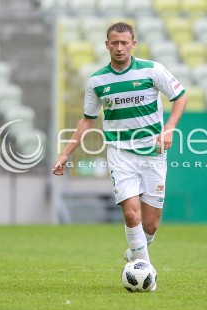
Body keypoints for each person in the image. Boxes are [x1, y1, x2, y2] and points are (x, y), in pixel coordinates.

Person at [53, 22, 188, 270]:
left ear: (133, 44)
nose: (119, 48)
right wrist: (64, 154)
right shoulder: (97, 81)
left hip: (154, 154)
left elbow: (180, 97)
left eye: (124, 43)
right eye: (114, 43)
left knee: (150, 225)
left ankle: (135, 253)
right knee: (130, 214)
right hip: (120, 154)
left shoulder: (152, 70)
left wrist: (168, 129)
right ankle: (145, 271)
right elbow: (87, 120)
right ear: (107, 45)